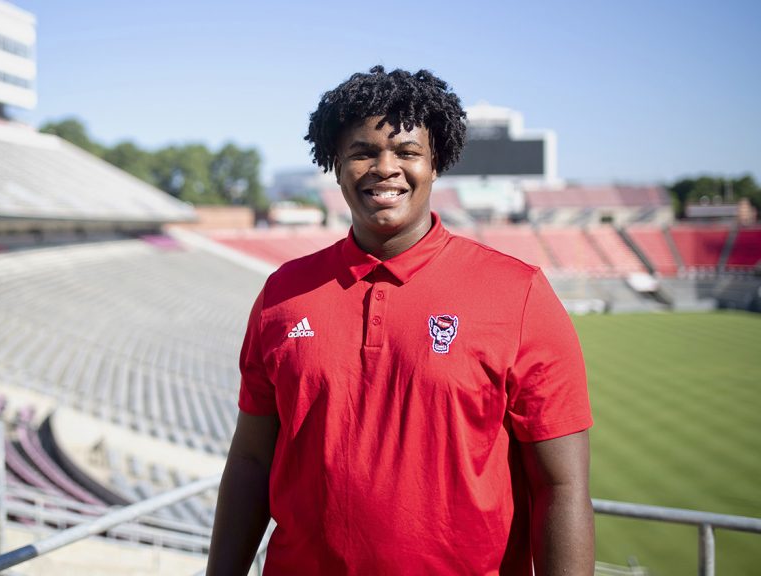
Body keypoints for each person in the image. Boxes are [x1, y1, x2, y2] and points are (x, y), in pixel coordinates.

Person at [206, 66, 594, 576]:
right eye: (363, 152)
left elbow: (561, 487)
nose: (384, 168)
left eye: (407, 152)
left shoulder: (518, 293)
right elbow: (252, 463)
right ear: (336, 164)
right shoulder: (283, 293)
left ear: (436, 165)